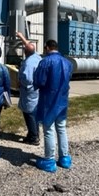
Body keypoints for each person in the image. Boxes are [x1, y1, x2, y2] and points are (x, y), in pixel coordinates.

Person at [32, 39, 74, 172]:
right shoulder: (67, 62)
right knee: (61, 128)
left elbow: (39, 81)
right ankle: (64, 158)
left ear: (47, 47)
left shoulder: (45, 62)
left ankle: (49, 160)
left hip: (48, 100)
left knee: (49, 129)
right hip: (62, 100)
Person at [16, 31, 42, 146]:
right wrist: (21, 37)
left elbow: (27, 79)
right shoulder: (37, 56)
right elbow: (29, 46)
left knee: (29, 113)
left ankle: (33, 137)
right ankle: (35, 133)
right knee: (34, 112)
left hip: (29, 90)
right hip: (37, 90)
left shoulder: (28, 64)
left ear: (25, 52)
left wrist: (19, 82)